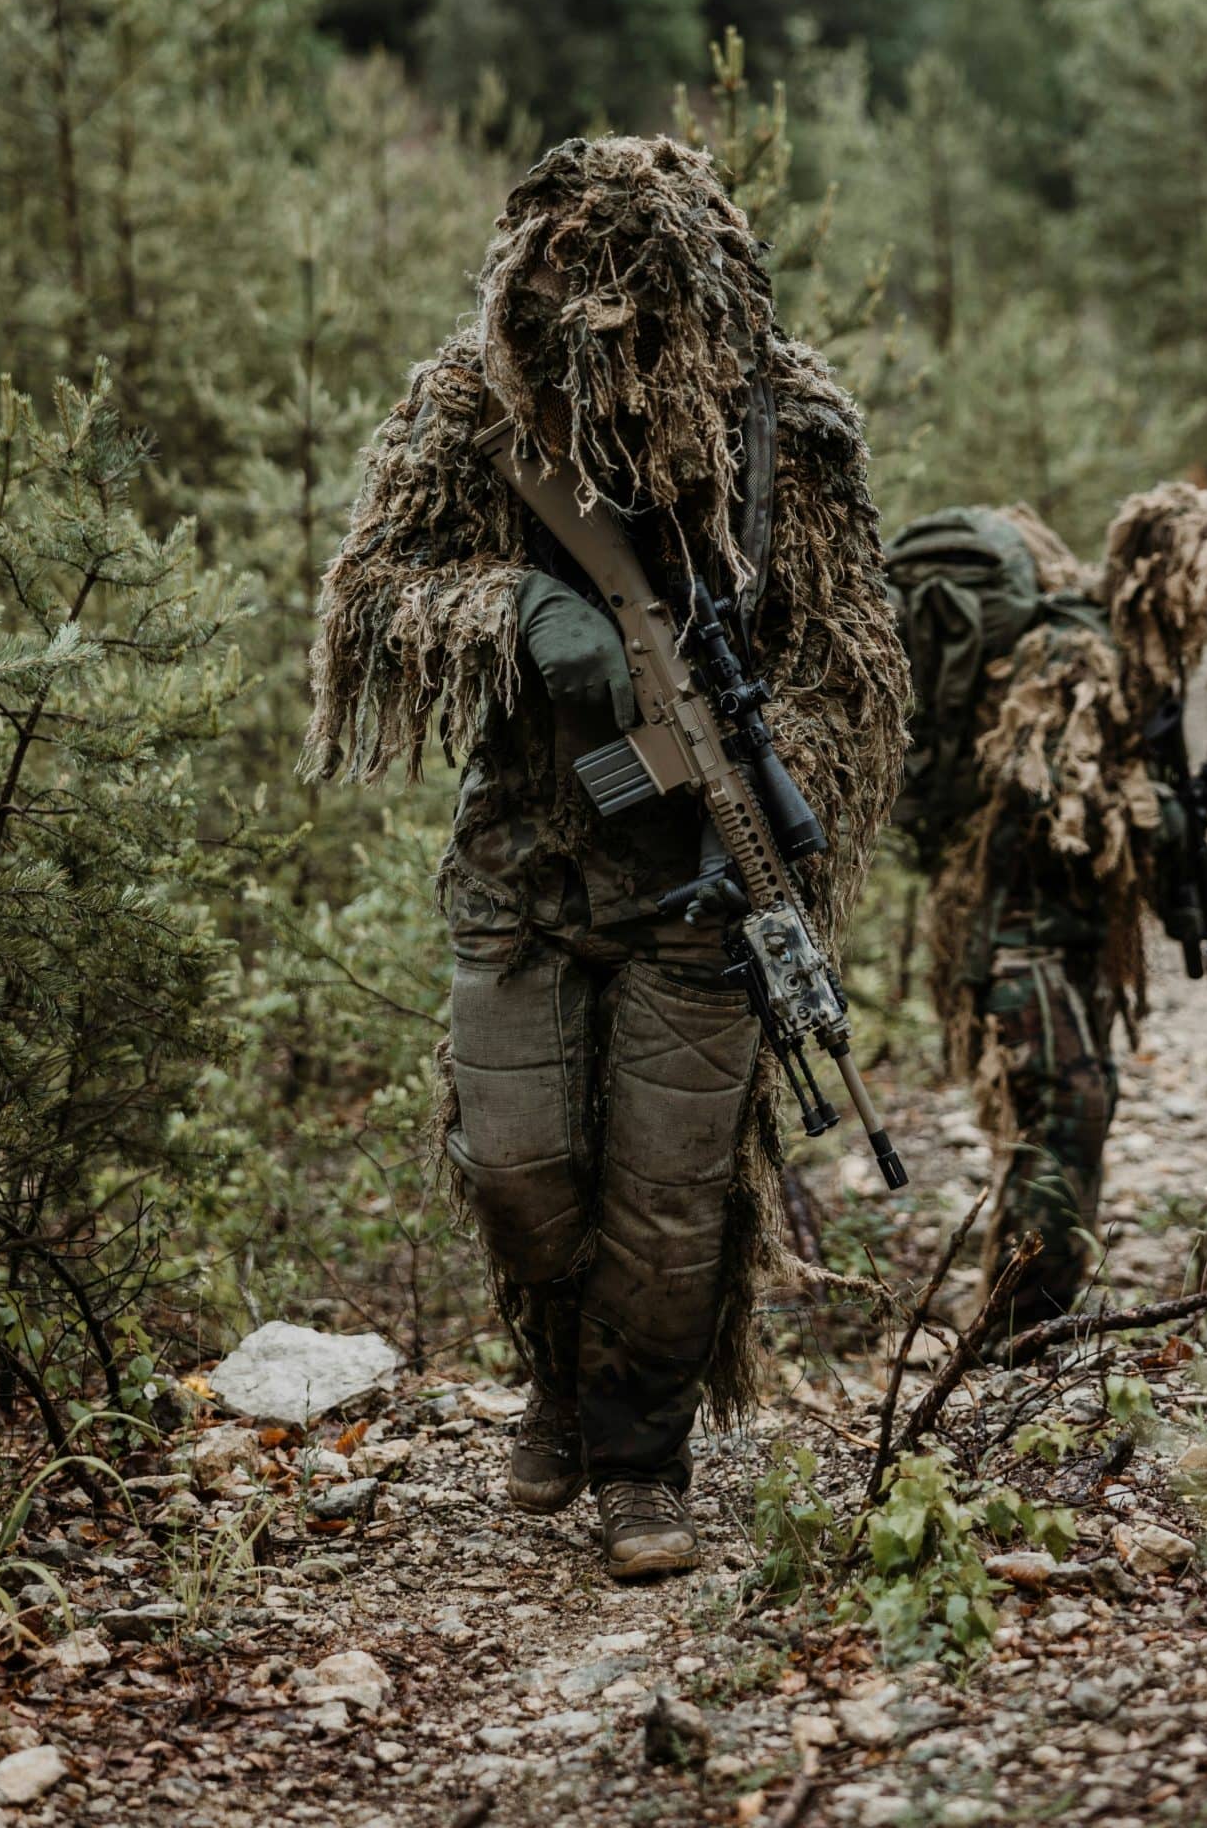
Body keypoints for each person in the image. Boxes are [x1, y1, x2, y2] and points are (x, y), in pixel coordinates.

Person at [304, 135, 906, 1578]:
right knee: (514, 1165)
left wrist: (751, 785)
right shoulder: (473, 400)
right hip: (520, 864)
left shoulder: (790, 426)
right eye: (580, 329)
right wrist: (513, 609)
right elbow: (370, 599)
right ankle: (561, 1388)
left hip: (702, 872)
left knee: (672, 1199)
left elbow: (854, 670)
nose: (612, 369)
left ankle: (641, 1461)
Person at [885, 485, 1207, 1328]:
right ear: (1158, 583)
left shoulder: (1133, 669)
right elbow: (1041, 802)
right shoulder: (1074, 651)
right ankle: (1019, 1331)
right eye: (1201, 603)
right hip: (1015, 939)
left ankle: (1032, 1315)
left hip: (1064, 939)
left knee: (1070, 1115)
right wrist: (1158, 810)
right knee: (1062, 1116)